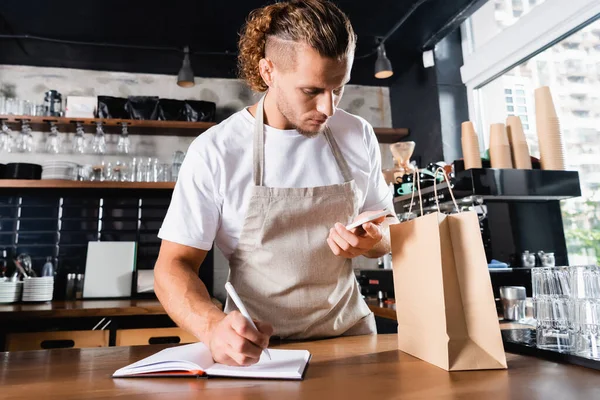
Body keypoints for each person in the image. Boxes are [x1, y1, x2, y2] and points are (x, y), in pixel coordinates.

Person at [154, 0, 398, 367]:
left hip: (350, 341)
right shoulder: (215, 151)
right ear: (268, 71)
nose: (328, 108)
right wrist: (212, 327)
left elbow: (392, 232)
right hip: (259, 352)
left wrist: (374, 240)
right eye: (311, 90)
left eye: (339, 88)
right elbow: (172, 266)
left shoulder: (357, 133)